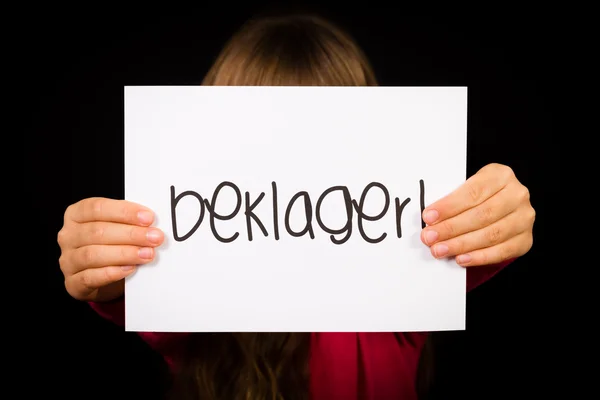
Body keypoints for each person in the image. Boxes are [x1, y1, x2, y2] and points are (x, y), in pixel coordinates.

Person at [57, 13, 535, 400]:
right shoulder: (197, 294)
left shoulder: (397, 292)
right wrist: (107, 267)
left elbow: (464, 248)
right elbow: (143, 295)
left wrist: (497, 216)